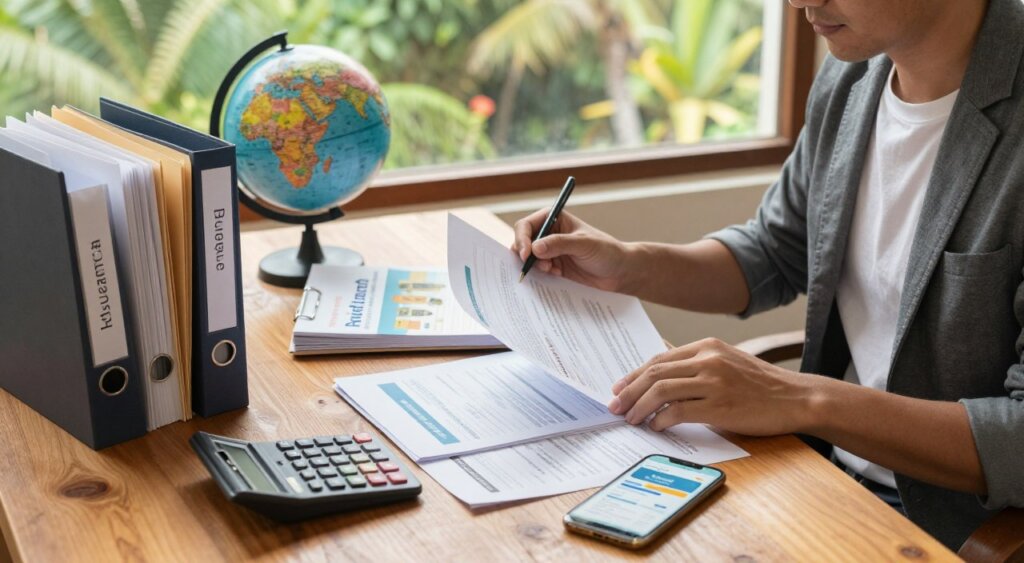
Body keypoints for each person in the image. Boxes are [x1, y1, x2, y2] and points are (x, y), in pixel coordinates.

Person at [512, 0, 1024, 550]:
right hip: (818, 472)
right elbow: (775, 251)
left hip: (947, 523)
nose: (800, 3)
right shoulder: (853, 74)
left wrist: (803, 399)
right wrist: (626, 263)